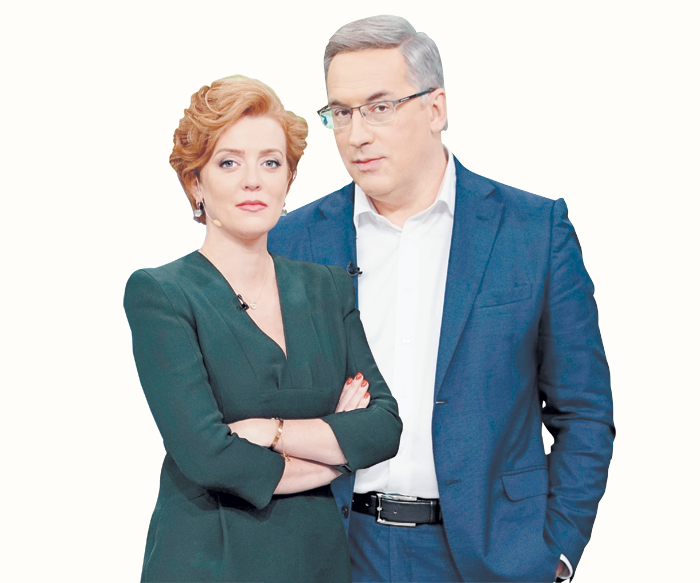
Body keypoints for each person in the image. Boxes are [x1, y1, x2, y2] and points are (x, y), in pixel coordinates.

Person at [267, 15, 614, 583]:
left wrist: (555, 552)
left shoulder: (533, 231)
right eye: (341, 112)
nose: (356, 134)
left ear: (436, 109)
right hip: (334, 548)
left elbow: (585, 411)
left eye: (380, 107)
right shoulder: (292, 241)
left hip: (490, 555)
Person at [123, 75, 401, 583]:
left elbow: (383, 427)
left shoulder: (327, 288)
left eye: (270, 162)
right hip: (211, 562)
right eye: (229, 162)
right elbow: (210, 457)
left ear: (287, 180)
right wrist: (338, 455)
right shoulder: (161, 294)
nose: (253, 180)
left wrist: (271, 432)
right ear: (195, 183)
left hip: (318, 561)